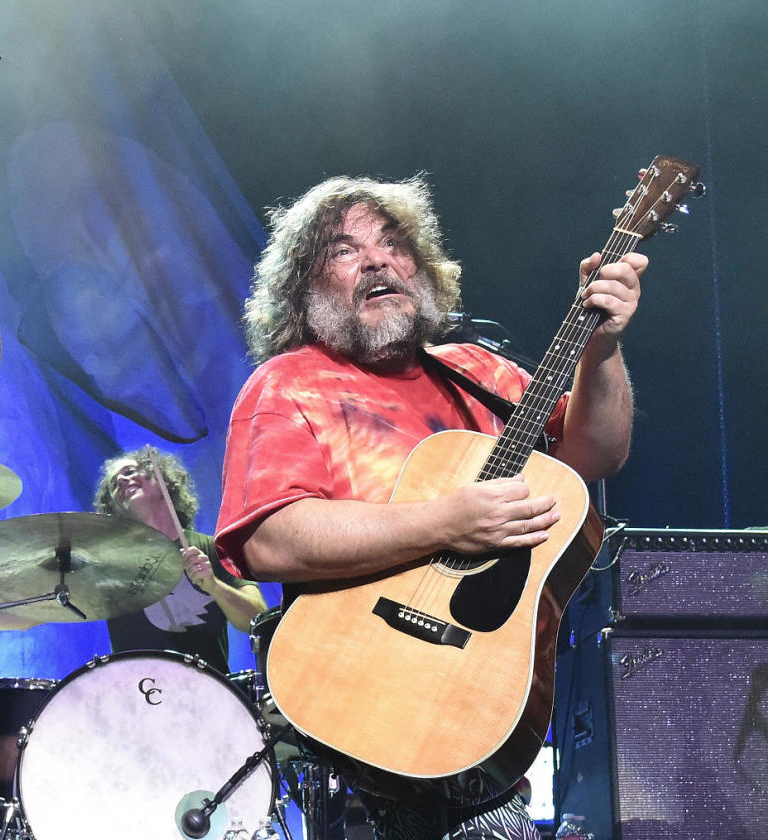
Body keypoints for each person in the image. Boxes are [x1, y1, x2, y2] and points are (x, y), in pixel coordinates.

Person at [214, 175, 645, 840]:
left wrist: (603, 346)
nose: (377, 260)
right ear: (305, 289)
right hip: (349, 718)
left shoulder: (481, 371)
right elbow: (270, 540)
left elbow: (596, 454)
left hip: (476, 723)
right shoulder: (288, 384)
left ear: (421, 269)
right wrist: (446, 522)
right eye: (343, 251)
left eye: (394, 245)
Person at [94, 447, 266, 673]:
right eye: (114, 484)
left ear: (163, 479)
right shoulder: (113, 567)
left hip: (212, 689)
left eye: (129, 471)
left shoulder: (210, 548)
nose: (122, 481)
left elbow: (256, 618)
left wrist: (214, 586)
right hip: (139, 694)